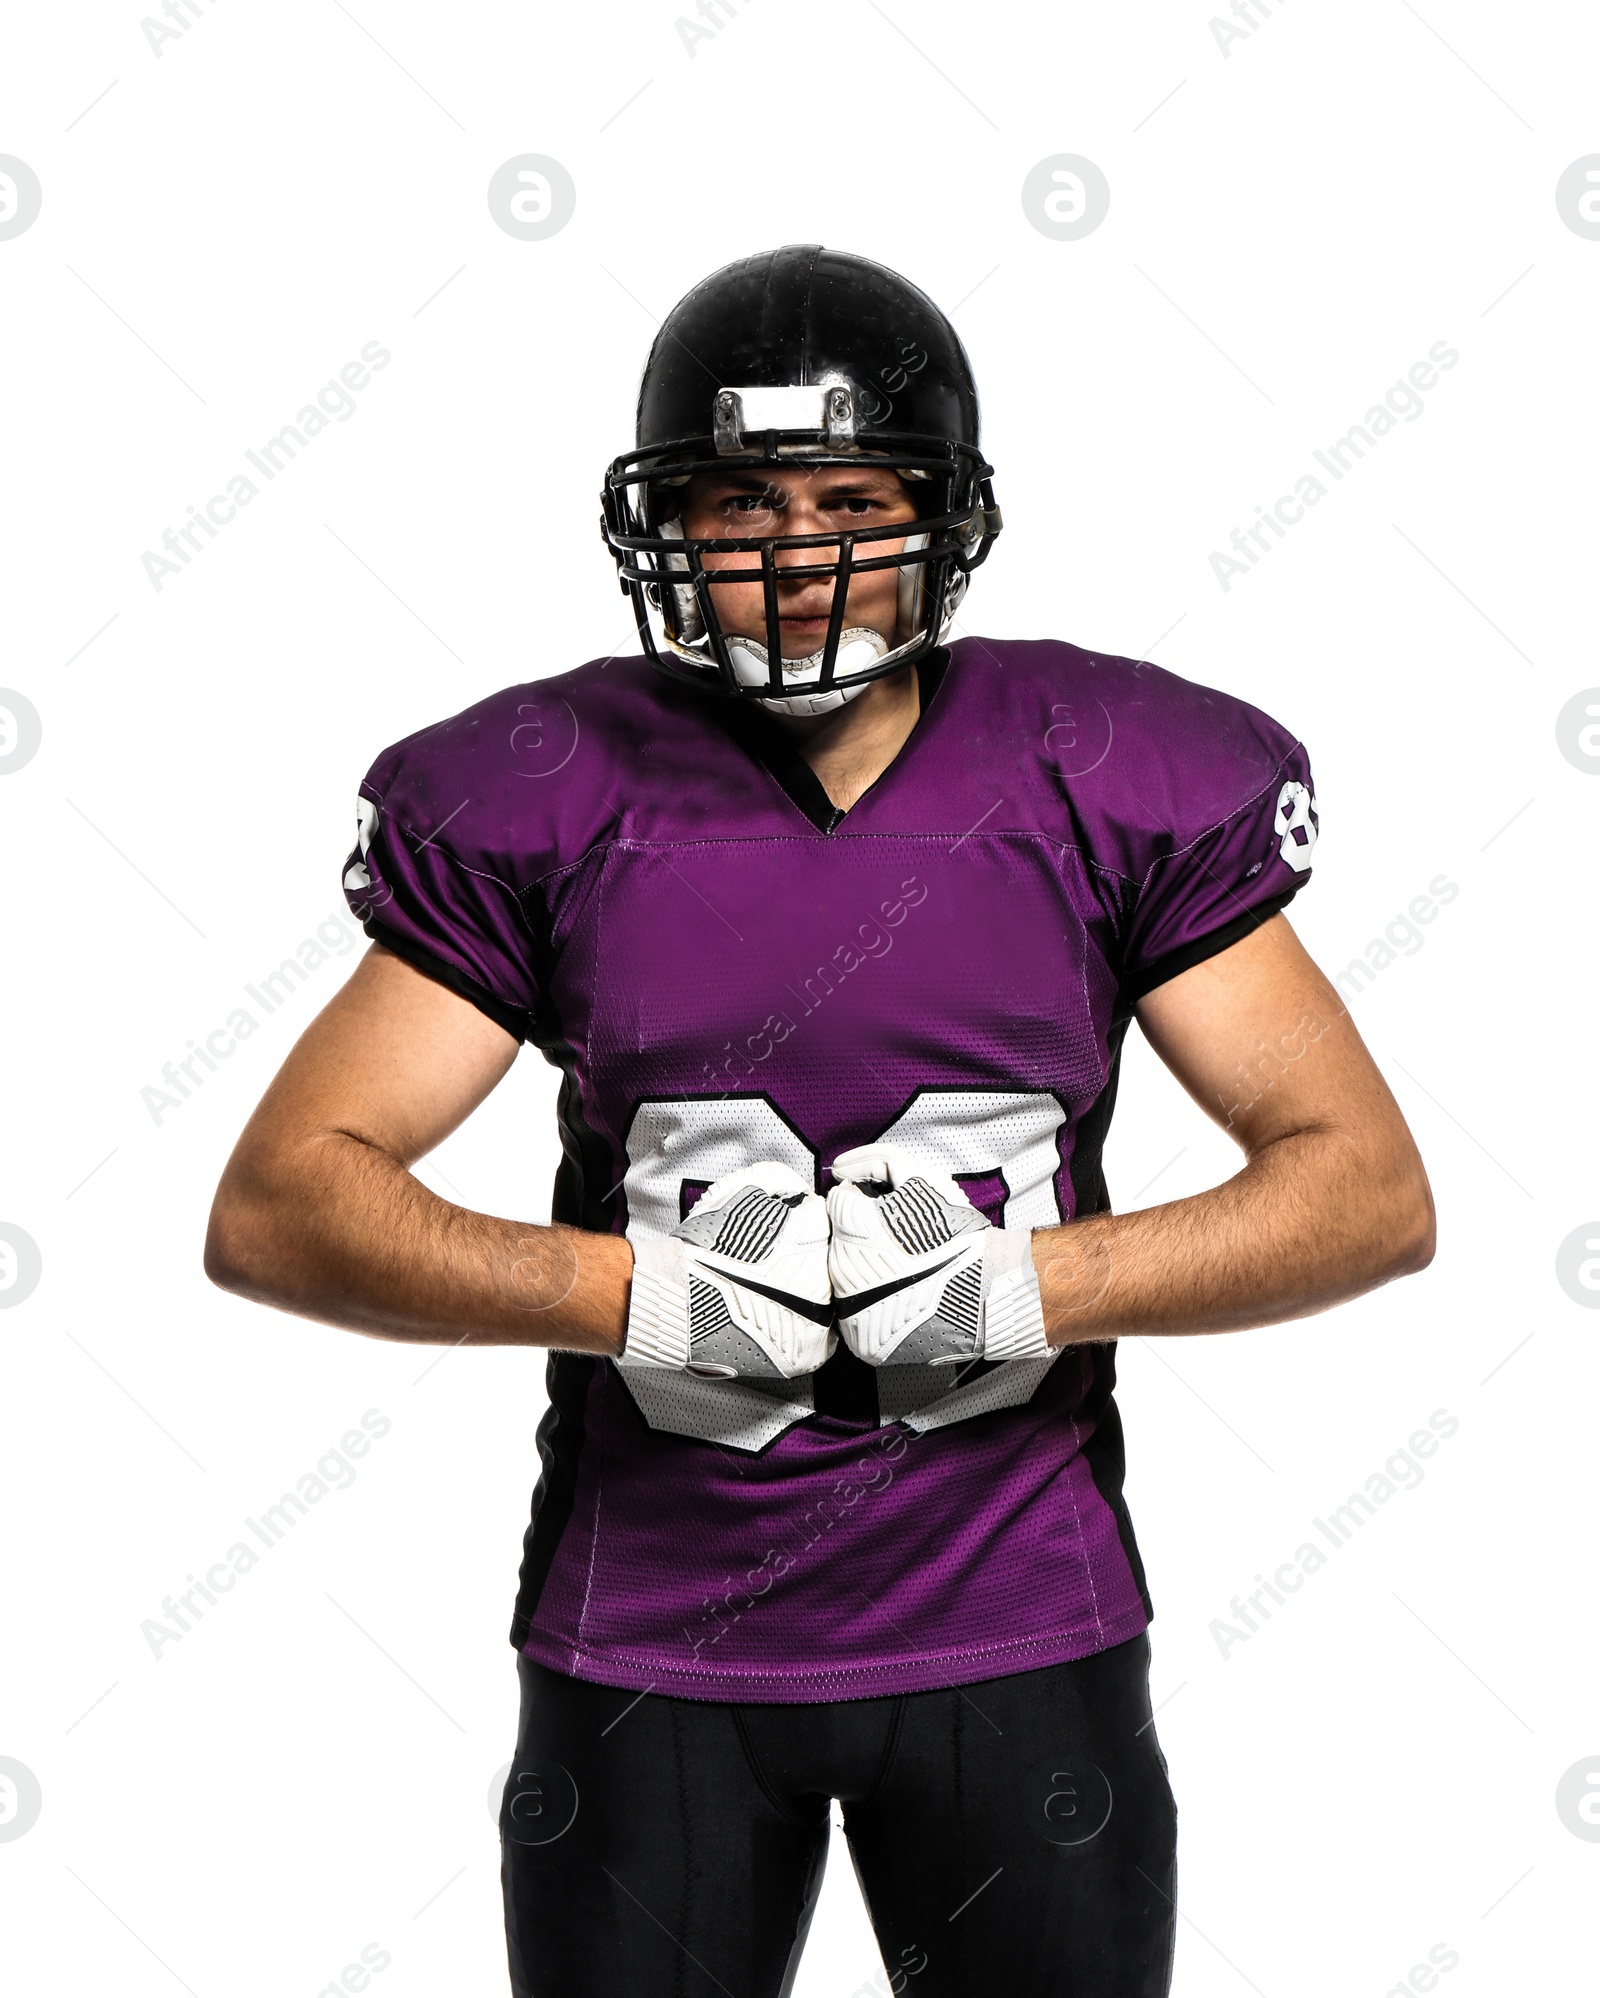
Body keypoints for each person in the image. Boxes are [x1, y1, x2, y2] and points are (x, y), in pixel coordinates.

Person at [205, 244, 1435, 1998]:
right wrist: (622, 1297)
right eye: (737, 501)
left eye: (853, 496)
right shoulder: (540, 790)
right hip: (651, 1642)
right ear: (665, 523)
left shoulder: (1107, 768)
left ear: (948, 514)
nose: (794, 556)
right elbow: (280, 1204)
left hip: (1020, 1619)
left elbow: (1365, 1187)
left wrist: (1030, 1287)